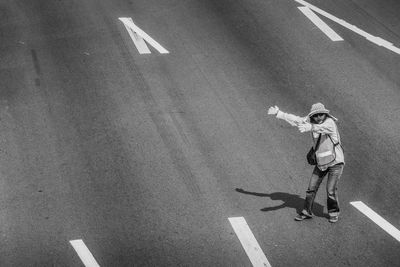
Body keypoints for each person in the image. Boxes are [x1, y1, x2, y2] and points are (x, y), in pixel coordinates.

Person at [267, 103, 344, 223]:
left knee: (330, 190)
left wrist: (311, 128)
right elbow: (296, 120)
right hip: (321, 163)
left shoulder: (330, 123)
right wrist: (279, 113)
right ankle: (306, 212)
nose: (319, 117)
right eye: (316, 115)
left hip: (336, 162)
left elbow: (321, 128)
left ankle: (334, 212)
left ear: (325, 114)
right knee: (311, 189)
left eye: (321, 114)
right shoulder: (311, 122)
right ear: (312, 116)